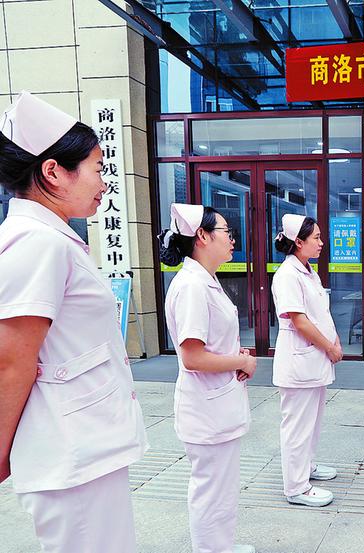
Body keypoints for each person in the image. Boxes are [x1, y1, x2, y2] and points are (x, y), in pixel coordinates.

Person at [0, 91, 148, 552]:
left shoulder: (53, 238)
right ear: (53, 172)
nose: (104, 182)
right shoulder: (36, 242)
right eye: (98, 168)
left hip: (86, 448)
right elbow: (11, 359)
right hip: (71, 454)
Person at [161, 203, 257, 553]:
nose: (232, 239)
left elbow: (209, 344)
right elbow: (192, 357)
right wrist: (241, 361)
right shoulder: (192, 286)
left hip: (218, 404)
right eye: (227, 232)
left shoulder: (205, 280)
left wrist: (234, 354)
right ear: (202, 236)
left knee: (222, 489)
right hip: (206, 410)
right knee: (211, 491)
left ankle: (221, 546)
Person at [271, 214, 341, 507]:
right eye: (316, 238)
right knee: (297, 427)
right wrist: (329, 347)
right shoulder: (287, 275)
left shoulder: (309, 271)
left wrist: (334, 340)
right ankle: (296, 487)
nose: (322, 243)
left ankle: (306, 467)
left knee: (312, 422)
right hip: (299, 361)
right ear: (299, 242)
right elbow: (299, 320)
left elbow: (320, 314)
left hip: (313, 359)